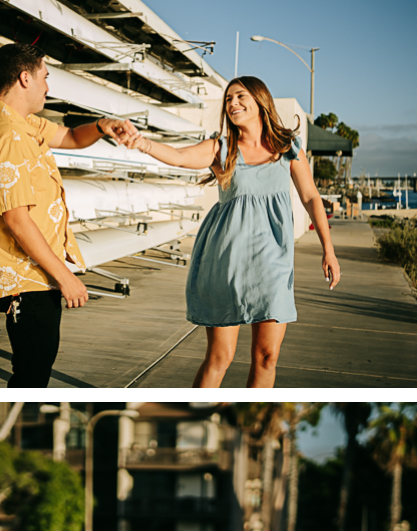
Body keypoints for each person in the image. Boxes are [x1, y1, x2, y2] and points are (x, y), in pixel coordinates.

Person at [126, 75, 341, 388]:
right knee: (220, 358)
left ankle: (248, 426)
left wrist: (328, 249)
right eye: (228, 99)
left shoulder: (287, 148)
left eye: (240, 97)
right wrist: (143, 143)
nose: (233, 103)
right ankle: (196, 424)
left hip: (273, 264)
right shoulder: (222, 148)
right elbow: (181, 157)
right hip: (227, 261)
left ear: (259, 100)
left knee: (267, 356)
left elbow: (311, 198)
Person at [0, 42, 138, 387]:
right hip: (27, 278)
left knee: (34, 371)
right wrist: (66, 277)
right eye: (45, 77)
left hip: (34, 275)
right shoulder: (10, 136)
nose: (48, 87)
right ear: (24, 78)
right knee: (31, 376)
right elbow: (17, 220)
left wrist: (103, 125)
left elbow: (71, 138)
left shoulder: (22, 123)